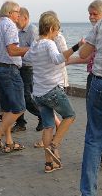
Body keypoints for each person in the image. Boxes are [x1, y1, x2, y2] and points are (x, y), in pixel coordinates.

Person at [24, 12, 77, 172]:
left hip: (39, 94)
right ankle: (55, 144)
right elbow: (58, 59)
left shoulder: (35, 44)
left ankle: (48, 164)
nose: (57, 34)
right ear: (52, 28)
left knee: (48, 126)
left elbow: (26, 57)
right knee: (70, 116)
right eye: (57, 30)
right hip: (52, 90)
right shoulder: (49, 43)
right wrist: (76, 47)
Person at [0, 0, 28, 153]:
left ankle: (9, 142)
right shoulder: (10, 26)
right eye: (18, 12)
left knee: (7, 108)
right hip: (10, 70)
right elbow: (12, 50)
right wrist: (31, 49)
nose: (19, 15)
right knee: (19, 107)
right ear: (10, 13)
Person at [80, 0, 102, 196]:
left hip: (98, 82)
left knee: (94, 138)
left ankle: (88, 192)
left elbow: (84, 52)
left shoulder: (99, 26)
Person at [12, 7, 43, 132]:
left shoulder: (33, 30)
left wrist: (16, 52)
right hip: (18, 66)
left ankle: (42, 116)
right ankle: (20, 122)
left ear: (25, 17)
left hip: (28, 68)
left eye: (17, 17)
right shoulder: (17, 31)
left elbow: (35, 50)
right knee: (17, 95)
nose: (15, 20)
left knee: (26, 96)